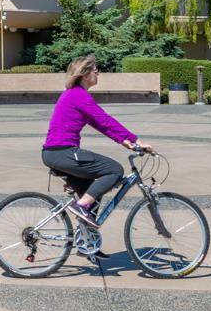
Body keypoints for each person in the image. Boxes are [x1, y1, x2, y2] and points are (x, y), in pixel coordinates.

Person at [41, 54, 154, 228]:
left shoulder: (74, 95)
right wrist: (136, 140)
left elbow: (100, 124)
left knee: (92, 193)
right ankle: (80, 206)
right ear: (85, 74)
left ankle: (86, 239)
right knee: (115, 170)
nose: (98, 73)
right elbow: (105, 119)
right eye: (95, 70)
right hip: (62, 152)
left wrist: (122, 140)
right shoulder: (78, 95)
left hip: (57, 153)